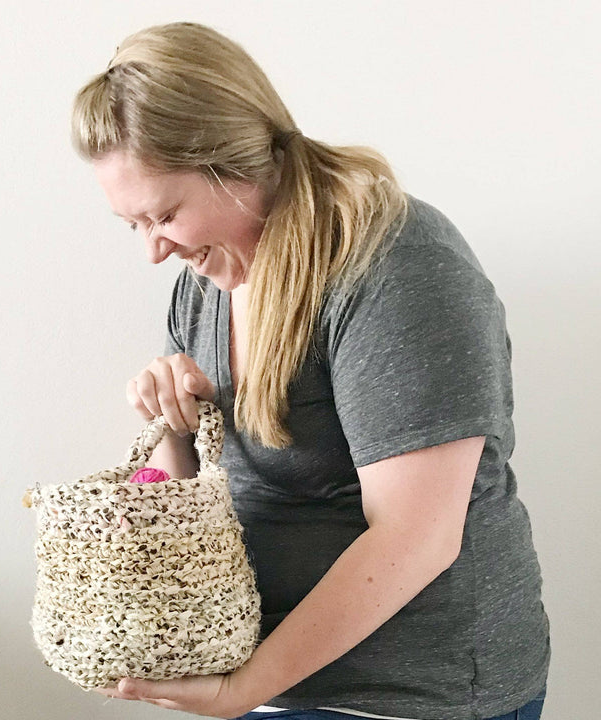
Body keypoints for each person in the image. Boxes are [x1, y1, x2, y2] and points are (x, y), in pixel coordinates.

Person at [71, 22, 550, 720]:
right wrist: (173, 422)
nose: (154, 251)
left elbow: (416, 536)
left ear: (232, 163)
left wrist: (246, 689)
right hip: (273, 675)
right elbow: (199, 511)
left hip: (412, 693)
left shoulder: (395, 265)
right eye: (133, 225)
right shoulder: (204, 283)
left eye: (166, 215)